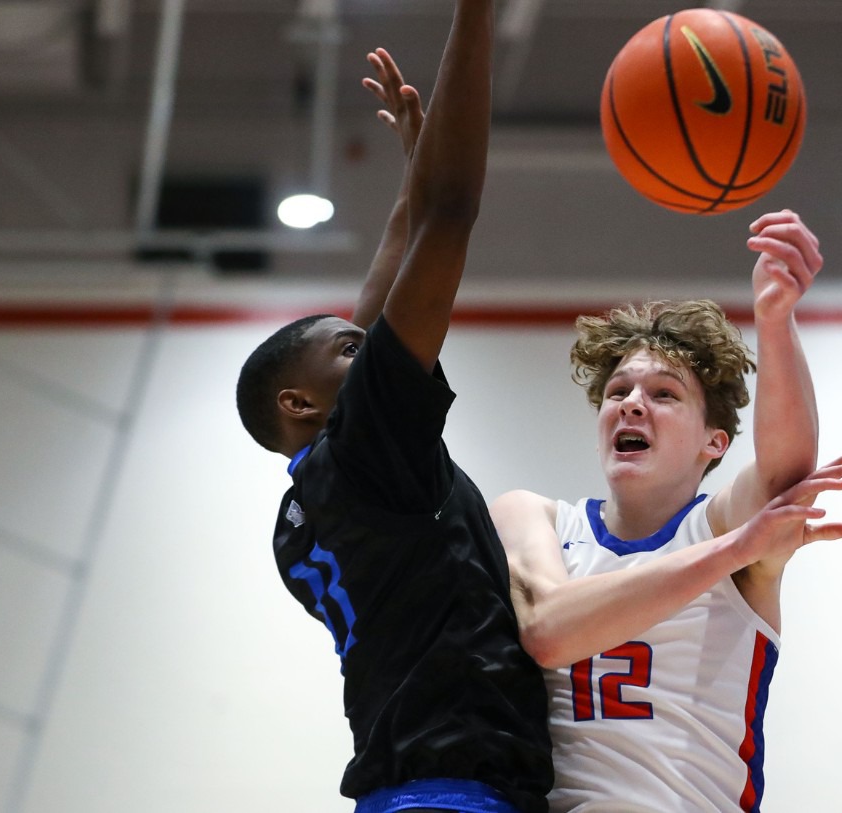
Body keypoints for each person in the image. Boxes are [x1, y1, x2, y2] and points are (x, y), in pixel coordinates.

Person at [234, 3, 556, 811]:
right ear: (298, 402)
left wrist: (415, 176)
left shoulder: (308, 505)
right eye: (352, 353)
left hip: (418, 789)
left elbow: (378, 294)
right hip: (448, 792)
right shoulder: (367, 448)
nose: (370, 346)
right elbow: (453, 212)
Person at [490, 210, 842, 812]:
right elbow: (548, 630)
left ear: (714, 442)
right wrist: (738, 547)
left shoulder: (715, 525)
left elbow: (786, 473)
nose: (633, 403)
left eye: (664, 394)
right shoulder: (532, 516)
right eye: (619, 392)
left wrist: (774, 318)